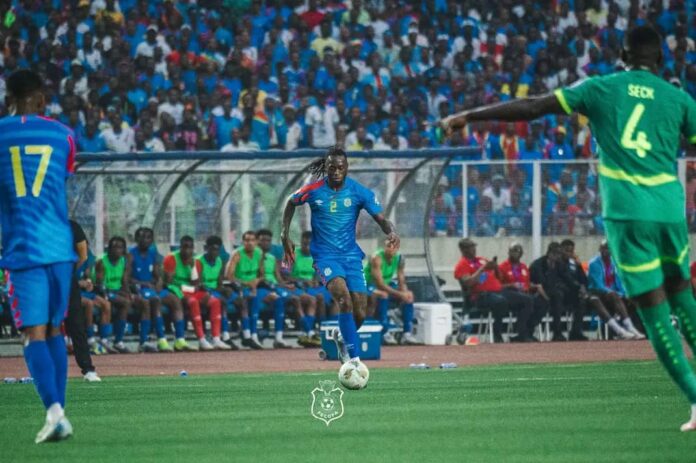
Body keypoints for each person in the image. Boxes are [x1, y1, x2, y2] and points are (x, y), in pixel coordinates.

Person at [442, 25, 696, 431]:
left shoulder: (600, 88)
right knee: (682, 296)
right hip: (669, 207)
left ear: (623, 56)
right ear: (661, 60)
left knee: (654, 310)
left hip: (629, 211)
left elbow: (533, 107)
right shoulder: (679, 99)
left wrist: (470, 116)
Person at [0, 69, 76, 442]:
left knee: (34, 333)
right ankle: (58, 414)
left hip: (23, 247)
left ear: (7, 100)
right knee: (56, 329)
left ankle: (55, 413)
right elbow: (58, 181)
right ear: (42, 99)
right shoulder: (64, 135)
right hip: (60, 246)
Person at [281, 146, 399, 366]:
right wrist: (284, 234)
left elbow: (382, 219)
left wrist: (391, 232)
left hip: (351, 256)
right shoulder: (313, 190)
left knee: (360, 313)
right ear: (326, 167)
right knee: (344, 300)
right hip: (325, 257)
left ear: (347, 168)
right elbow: (291, 202)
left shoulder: (359, 192)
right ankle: (354, 360)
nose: (335, 171)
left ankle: (342, 337)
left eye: (340, 167)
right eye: (331, 167)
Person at [454, 238, 534, 343]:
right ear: (463, 249)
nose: (474, 249)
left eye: (474, 246)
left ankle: (521, 334)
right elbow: (468, 282)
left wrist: (495, 267)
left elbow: (499, 277)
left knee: (527, 300)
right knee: (500, 301)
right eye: (470, 247)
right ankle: (497, 333)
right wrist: (482, 269)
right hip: (480, 295)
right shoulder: (462, 264)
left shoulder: (482, 259)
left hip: (499, 290)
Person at [364, 237, 418, 345]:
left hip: (386, 284)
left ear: (397, 248)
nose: (390, 249)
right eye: (388, 246)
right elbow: (379, 284)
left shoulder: (400, 258)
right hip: (368, 284)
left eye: (393, 247)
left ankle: (407, 333)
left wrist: (404, 293)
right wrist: (400, 294)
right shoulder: (377, 258)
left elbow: (401, 279)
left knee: (409, 296)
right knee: (383, 294)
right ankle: (385, 332)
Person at [588, 240, 645, 339]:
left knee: (634, 299)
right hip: (598, 293)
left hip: (613, 295)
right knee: (612, 295)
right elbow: (598, 284)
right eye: (604, 248)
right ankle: (620, 331)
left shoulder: (614, 263)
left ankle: (632, 327)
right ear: (600, 249)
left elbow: (619, 282)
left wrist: (624, 294)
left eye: (609, 248)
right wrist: (613, 292)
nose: (606, 251)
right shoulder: (594, 263)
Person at [129, 227, 173, 352]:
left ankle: (176, 339)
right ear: (136, 239)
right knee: (153, 301)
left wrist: (159, 282)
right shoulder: (130, 255)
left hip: (150, 288)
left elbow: (157, 274)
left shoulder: (153, 253)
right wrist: (143, 284)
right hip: (138, 289)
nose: (145, 240)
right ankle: (146, 341)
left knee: (174, 300)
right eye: (142, 237)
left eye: (148, 237)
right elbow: (127, 278)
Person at [66, 220, 100, 381]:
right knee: (44, 327)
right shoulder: (38, 224)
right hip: (43, 282)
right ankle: (42, 370)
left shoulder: (72, 226)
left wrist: (68, 271)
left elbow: (83, 254)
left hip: (66, 281)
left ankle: (88, 368)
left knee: (76, 324)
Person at [498, 243, 548, 342]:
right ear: (509, 252)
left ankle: (529, 331)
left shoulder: (524, 267)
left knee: (543, 302)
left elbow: (526, 284)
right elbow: (498, 286)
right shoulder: (502, 267)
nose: (516, 253)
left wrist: (535, 286)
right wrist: (511, 285)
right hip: (509, 294)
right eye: (513, 251)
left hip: (525, 294)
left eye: (518, 251)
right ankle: (521, 333)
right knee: (527, 300)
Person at [224, 231, 265, 349]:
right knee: (248, 299)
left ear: (256, 242)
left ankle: (254, 335)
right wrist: (246, 283)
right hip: (238, 287)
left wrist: (256, 281)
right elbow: (228, 276)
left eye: (252, 240)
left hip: (253, 287)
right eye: (247, 240)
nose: (249, 243)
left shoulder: (259, 253)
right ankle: (248, 335)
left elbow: (262, 275)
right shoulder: (237, 254)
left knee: (261, 298)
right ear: (243, 242)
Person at [191, 236, 231, 350]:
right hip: (201, 291)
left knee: (238, 300)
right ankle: (223, 335)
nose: (215, 252)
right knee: (220, 301)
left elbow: (219, 283)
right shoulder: (198, 261)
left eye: (217, 250)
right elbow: (197, 283)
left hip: (214, 290)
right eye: (212, 249)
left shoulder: (219, 261)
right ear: (206, 248)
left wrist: (224, 289)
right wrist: (209, 290)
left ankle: (223, 336)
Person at [256, 229, 295, 349]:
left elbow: (278, 277)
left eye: (268, 240)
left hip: (274, 287)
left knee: (289, 298)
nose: (266, 243)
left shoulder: (272, 258)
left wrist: (285, 285)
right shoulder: (254, 257)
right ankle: (261, 332)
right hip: (260, 288)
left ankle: (278, 337)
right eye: (263, 240)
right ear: (257, 241)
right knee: (278, 299)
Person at [159, 236, 198, 352]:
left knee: (197, 300)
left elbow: (196, 283)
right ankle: (179, 339)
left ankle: (201, 338)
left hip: (186, 290)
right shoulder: (171, 258)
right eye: (185, 247)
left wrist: (192, 267)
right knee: (178, 301)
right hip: (170, 289)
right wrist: (187, 288)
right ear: (180, 247)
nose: (187, 250)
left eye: (190, 248)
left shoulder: (193, 261)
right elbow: (168, 281)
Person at [289, 231, 326, 348]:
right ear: (301, 242)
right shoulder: (292, 254)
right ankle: (308, 332)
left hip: (310, 288)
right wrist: (301, 280)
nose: (307, 246)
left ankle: (319, 332)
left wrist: (316, 281)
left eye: (310, 244)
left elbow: (318, 275)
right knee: (311, 299)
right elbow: (285, 275)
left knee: (321, 297)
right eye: (305, 243)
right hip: (295, 286)